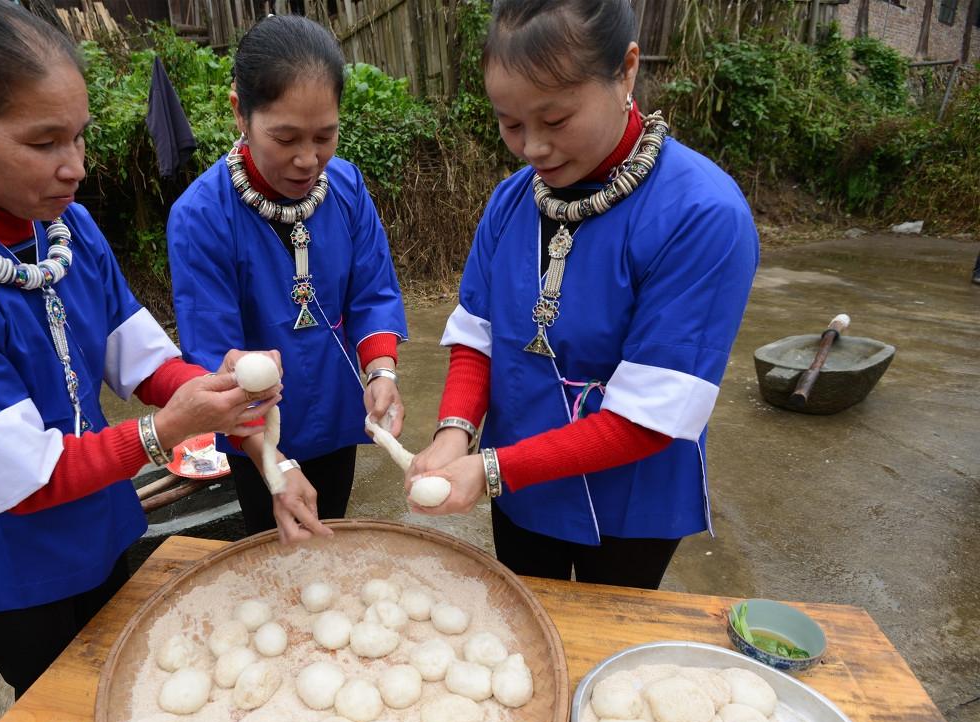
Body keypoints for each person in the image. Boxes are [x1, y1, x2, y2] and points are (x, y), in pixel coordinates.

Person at [0, 0, 280, 697]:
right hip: (9, 562)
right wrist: (170, 429)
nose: (74, 167)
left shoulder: (61, 225)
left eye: (79, 137)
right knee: (60, 714)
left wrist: (215, 391)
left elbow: (135, 355)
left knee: (128, 688)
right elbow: (24, 480)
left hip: (96, 515)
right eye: (44, 143)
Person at [407, 0, 758, 589]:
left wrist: (491, 469)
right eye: (510, 123)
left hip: (629, 503)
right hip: (519, 489)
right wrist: (453, 434)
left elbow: (648, 417)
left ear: (625, 72)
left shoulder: (701, 215)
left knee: (607, 649)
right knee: (529, 632)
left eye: (556, 120)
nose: (532, 149)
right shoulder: (511, 202)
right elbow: (478, 336)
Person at [168, 15, 409, 544]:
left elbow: (373, 291)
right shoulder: (202, 216)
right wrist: (272, 462)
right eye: (286, 138)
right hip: (257, 428)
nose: (308, 159)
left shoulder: (345, 187)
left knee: (331, 533)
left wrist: (381, 373)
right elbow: (213, 349)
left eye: (326, 135)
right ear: (240, 113)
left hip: (338, 400)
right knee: (272, 541)